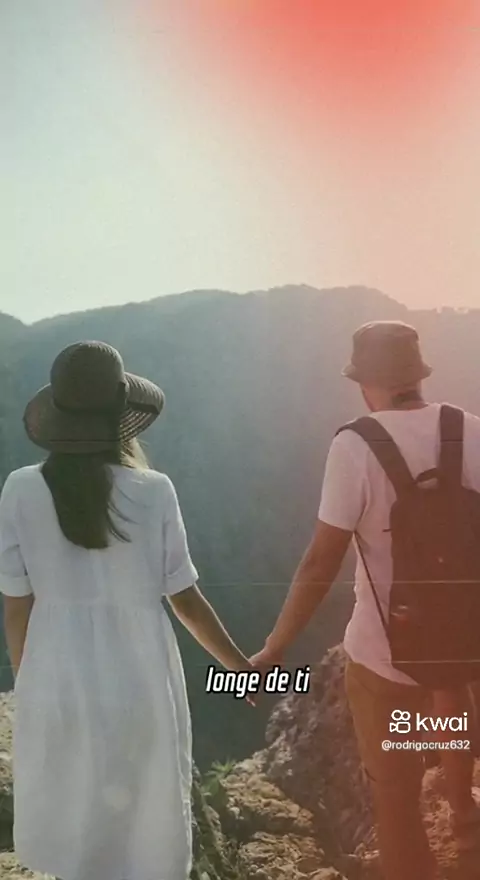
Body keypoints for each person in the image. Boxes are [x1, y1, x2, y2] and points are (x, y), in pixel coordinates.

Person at [0, 341, 253, 880]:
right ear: (122, 416)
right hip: (141, 672)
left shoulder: (21, 488)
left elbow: (16, 604)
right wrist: (241, 667)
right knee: (139, 813)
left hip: (57, 670)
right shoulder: (153, 490)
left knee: (73, 810)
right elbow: (185, 599)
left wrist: (30, 679)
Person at [251, 321, 480, 880]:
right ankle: (465, 819)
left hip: (384, 652)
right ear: (418, 375)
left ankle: (414, 865)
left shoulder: (355, 445)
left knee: (395, 792)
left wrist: (274, 649)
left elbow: (321, 561)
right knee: (450, 701)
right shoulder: (469, 428)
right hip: (461, 640)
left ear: (364, 383)